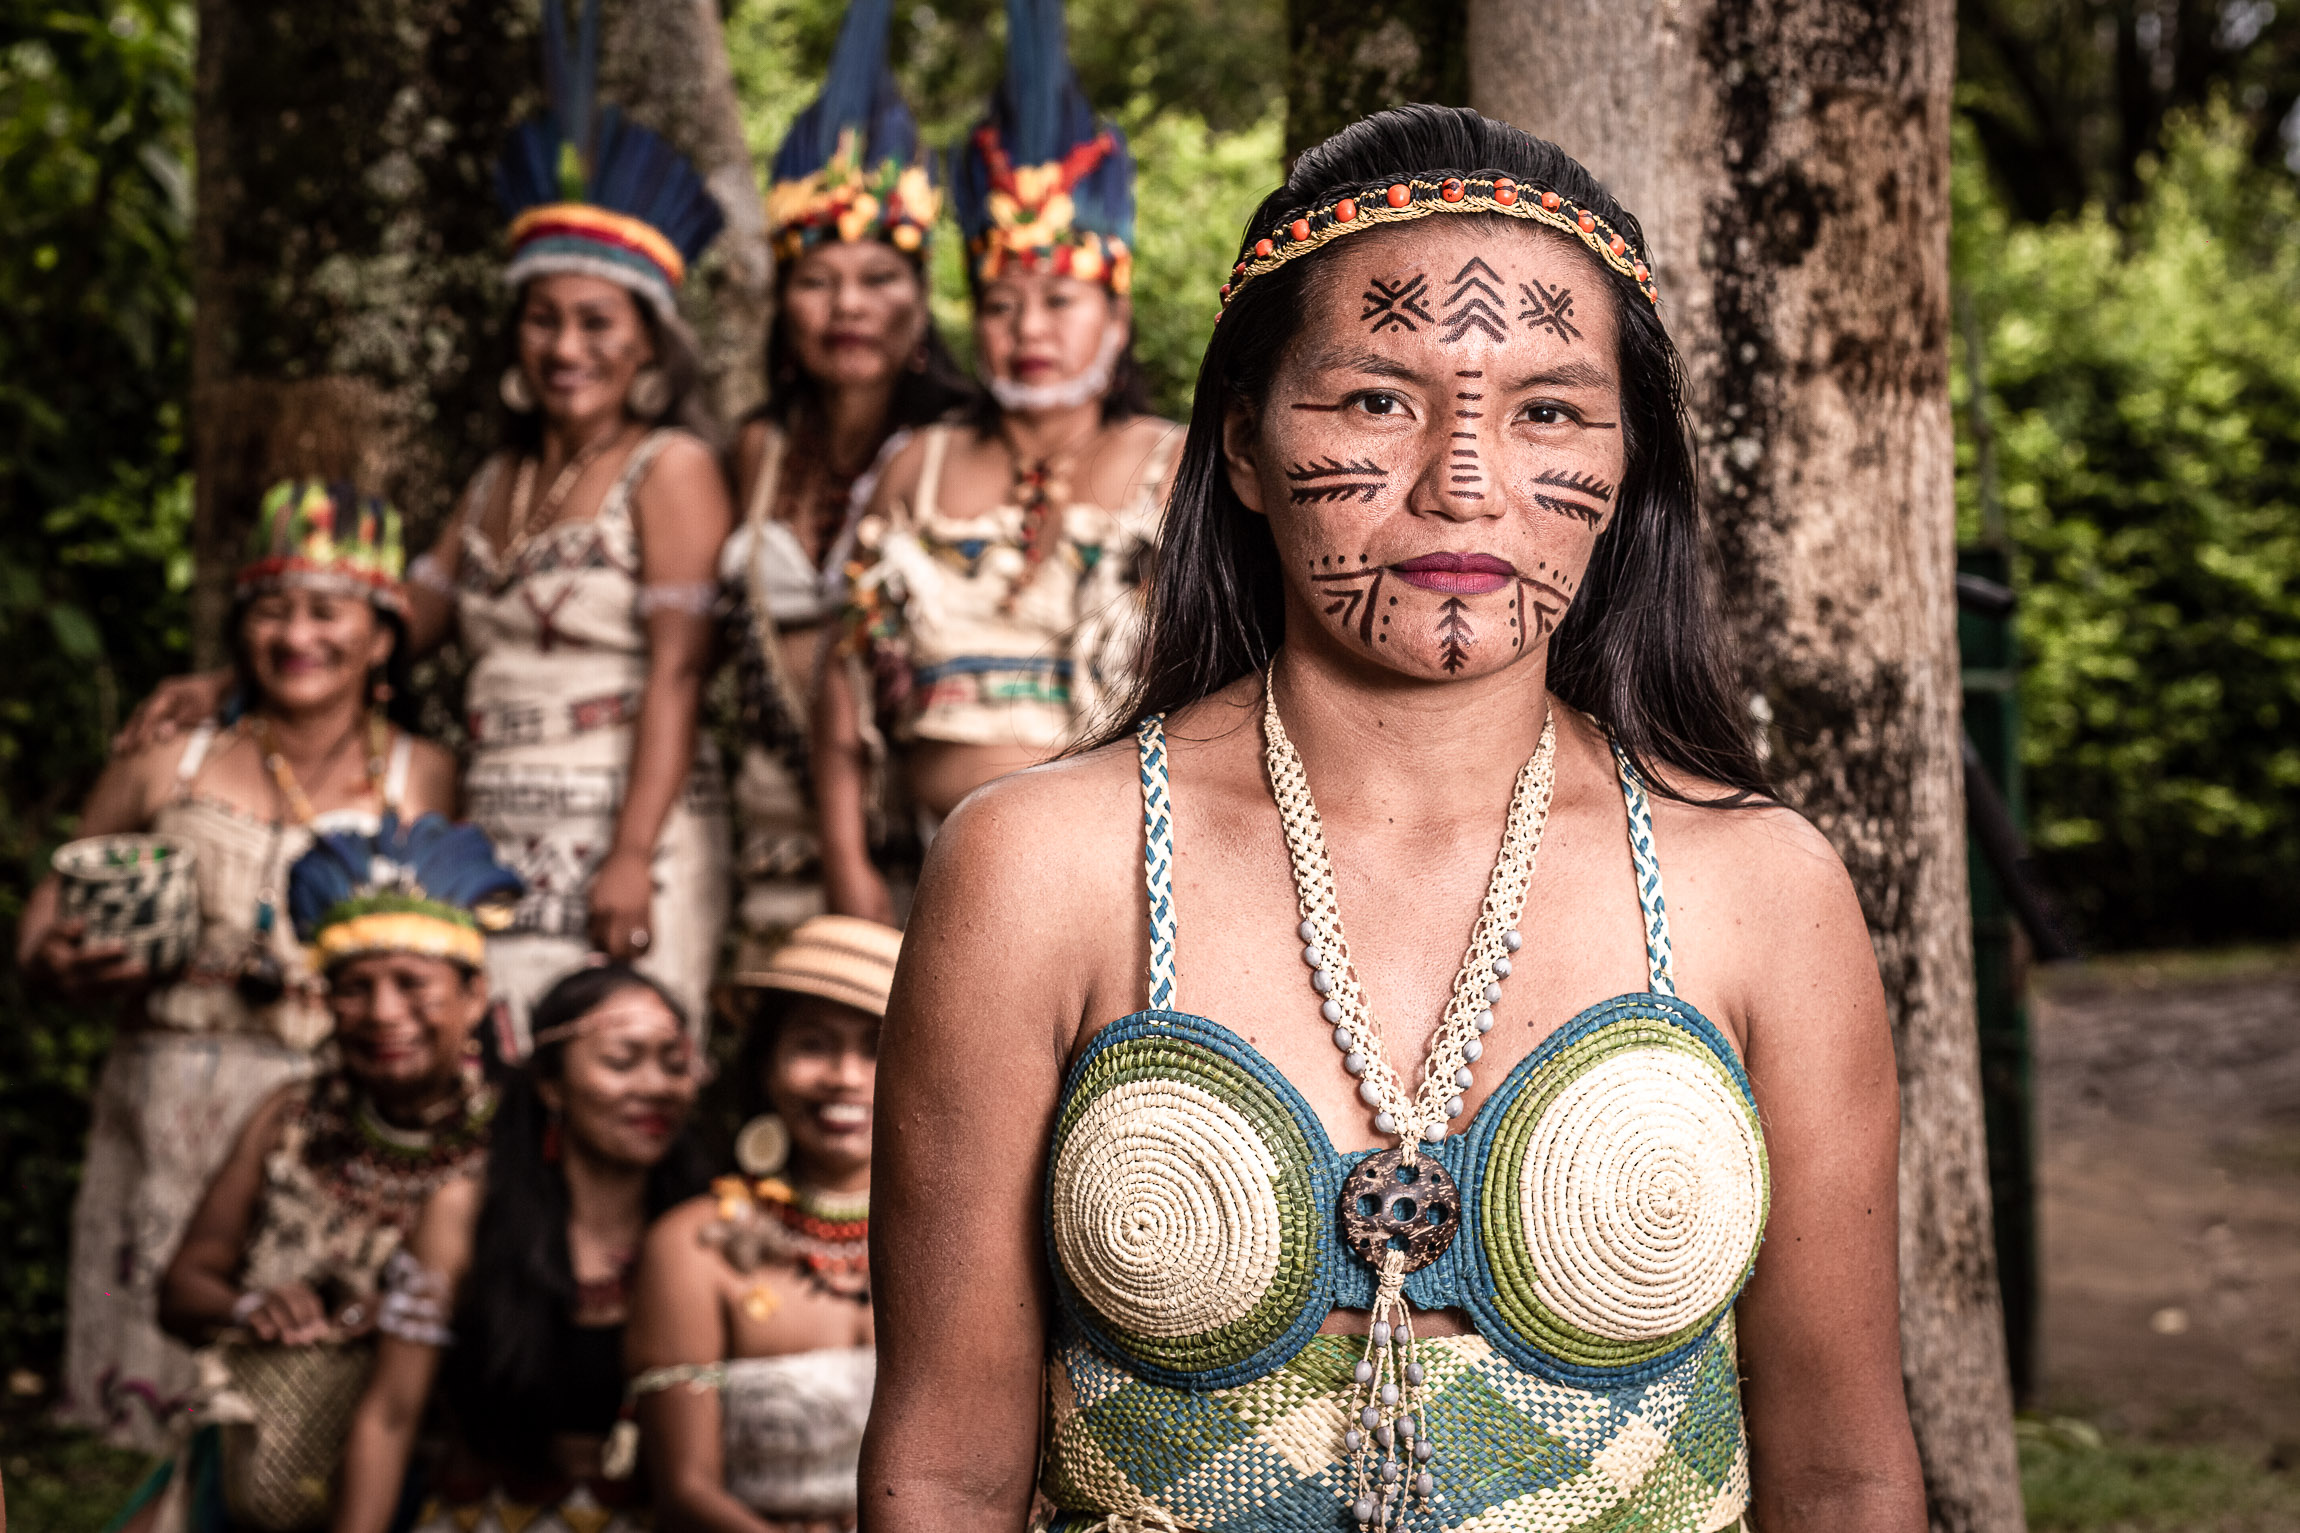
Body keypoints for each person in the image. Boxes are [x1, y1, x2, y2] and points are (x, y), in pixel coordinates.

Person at [860, 106, 1928, 1531]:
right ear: (1241, 445)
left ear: (1625, 472)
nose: (1463, 482)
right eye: (1376, 399)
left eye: (1547, 408)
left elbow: (1844, 1469)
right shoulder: (1044, 866)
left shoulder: (1760, 887)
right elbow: (940, 1472)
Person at [117, 0, 736, 1057]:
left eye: (597, 322)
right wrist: (229, 685)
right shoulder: (496, 480)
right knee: (495, 1076)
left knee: (611, 1066)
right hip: (496, 820)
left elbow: (677, 675)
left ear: (646, 345)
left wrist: (630, 854)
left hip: (622, 821)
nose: (565, 345)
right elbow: (385, 623)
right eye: (544, 317)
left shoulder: (667, 469)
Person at [18, 482, 455, 1452]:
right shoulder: (165, 760)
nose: (296, 633)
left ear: (381, 636)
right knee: (151, 1385)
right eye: (270, 606)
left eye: (326, 609)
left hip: (324, 1113)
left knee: (283, 1392)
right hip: (167, 1086)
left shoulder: (419, 776)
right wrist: (68, 963)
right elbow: (38, 933)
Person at [815, 0, 1180, 923]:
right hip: (920, 870)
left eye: (1060, 300)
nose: (1029, 332)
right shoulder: (918, 467)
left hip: (1118, 878)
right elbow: (842, 685)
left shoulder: (1170, 468)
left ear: (1117, 315)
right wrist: (850, 868)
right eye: (1002, 304)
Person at [115, 813, 519, 1533]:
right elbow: (184, 1287)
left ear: (474, 995)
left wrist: (396, 1325)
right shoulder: (292, 1115)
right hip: (270, 1452)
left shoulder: (515, 1140)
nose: (382, 1012)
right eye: (353, 987)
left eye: (411, 983)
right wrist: (254, 1307)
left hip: (443, 1461)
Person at [721, 0, 973, 968]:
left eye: (877, 280)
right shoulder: (757, 450)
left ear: (919, 298)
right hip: (762, 828)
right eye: (818, 282)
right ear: (783, 304)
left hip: (913, 830)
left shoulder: (954, 447)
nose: (848, 308)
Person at [329, 964, 712, 1533]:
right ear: (550, 1084)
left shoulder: (707, 1228)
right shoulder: (465, 1215)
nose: (655, 1086)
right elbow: (390, 1415)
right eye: (622, 1061)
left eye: (673, 1063)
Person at [623, 915, 898, 1533]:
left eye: (877, 1046)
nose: (845, 1077)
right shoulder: (693, 1246)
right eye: (812, 1044)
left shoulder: (961, 1245)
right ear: (767, 1065)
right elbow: (685, 1490)